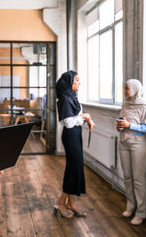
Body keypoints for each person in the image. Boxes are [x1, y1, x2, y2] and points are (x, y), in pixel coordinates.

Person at [54, 70, 94, 218]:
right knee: (74, 169)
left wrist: (84, 118)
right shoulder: (65, 98)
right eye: (76, 80)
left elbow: (75, 118)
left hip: (76, 135)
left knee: (74, 168)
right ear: (69, 82)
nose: (79, 83)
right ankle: (60, 202)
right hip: (71, 135)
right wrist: (85, 116)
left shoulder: (72, 96)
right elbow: (69, 123)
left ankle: (71, 203)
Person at [116, 79, 146, 226]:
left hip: (138, 144)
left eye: (127, 88)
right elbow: (122, 122)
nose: (125, 91)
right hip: (124, 141)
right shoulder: (125, 104)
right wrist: (120, 126)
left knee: (138, 179)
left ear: (135, 89)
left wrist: (129, 125)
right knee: (127, 177)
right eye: (124, 88)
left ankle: (141, 212)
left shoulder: (145, 107)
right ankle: (130, 206)